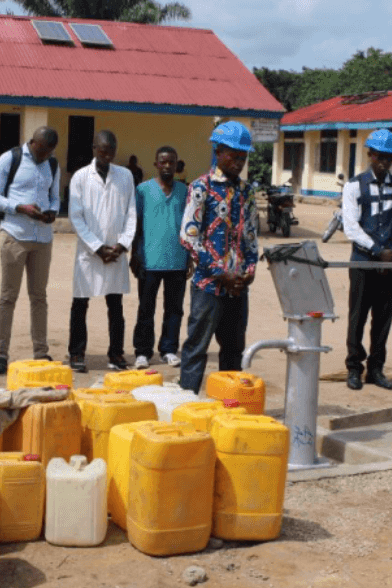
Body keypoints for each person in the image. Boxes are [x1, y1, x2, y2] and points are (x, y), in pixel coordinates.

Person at [178, 121, 259, 394]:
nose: (239, 162)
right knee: (197, 347)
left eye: (243, 157)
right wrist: (219, 272)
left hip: (237, 288)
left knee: (233, 349)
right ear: (219, 151)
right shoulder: (201, 187)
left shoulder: (247, 192)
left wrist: (248, 272)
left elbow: (250, 237)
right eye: (234, 156)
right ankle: (187, 403)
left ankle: (228, 406)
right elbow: (189, 236)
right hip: (208, 286)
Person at [341, 128, 392, 391]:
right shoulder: (353, 186)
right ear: (369, 155)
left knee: (383, 318)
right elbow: (351, 226)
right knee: (357, 316)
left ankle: (376, 369)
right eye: (379, 157)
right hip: (362, 261)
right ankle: (353, 368)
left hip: (390, 264)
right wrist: (377, 251)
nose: (383, 163)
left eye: (388, 158)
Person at [0, 126, 61, 374]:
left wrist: (52, 212)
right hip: (14, 235)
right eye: (41, 152)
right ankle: (0, 354)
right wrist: (19, 207)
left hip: (42, 238)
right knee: (8, 296)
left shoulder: (52, 164)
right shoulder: (11, 159)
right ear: (32, 142)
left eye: (48, 153)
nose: (44, 158)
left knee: (39, 297)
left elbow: (55, 197)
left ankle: (41, 351)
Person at [67, 130, 136, 373]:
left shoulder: (125, 176)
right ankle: (76, 353)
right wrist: (97, 247)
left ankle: (116, 353)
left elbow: (131, 213)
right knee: (80, 303)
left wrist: (122, 244)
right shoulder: (80, 177)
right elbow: (76, 216)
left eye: (111, 151)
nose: (107, 155)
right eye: (102, 150)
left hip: (116, 252)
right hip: (89, 253)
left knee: (115, 304)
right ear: (94, 148)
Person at [130, 145, 188, 369]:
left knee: (174, 309)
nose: (167, 166)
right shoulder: (143, 190)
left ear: (176, 165)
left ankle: (169, 349)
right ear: (156, 164)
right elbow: (136, 223)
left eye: (171, 162)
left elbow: (188, 226)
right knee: (146, 307)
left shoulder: (184, 191)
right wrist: (135, 253)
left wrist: (189, 258)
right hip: (149, 259)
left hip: (177, 259)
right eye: (163, 162)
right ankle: (143, 351)